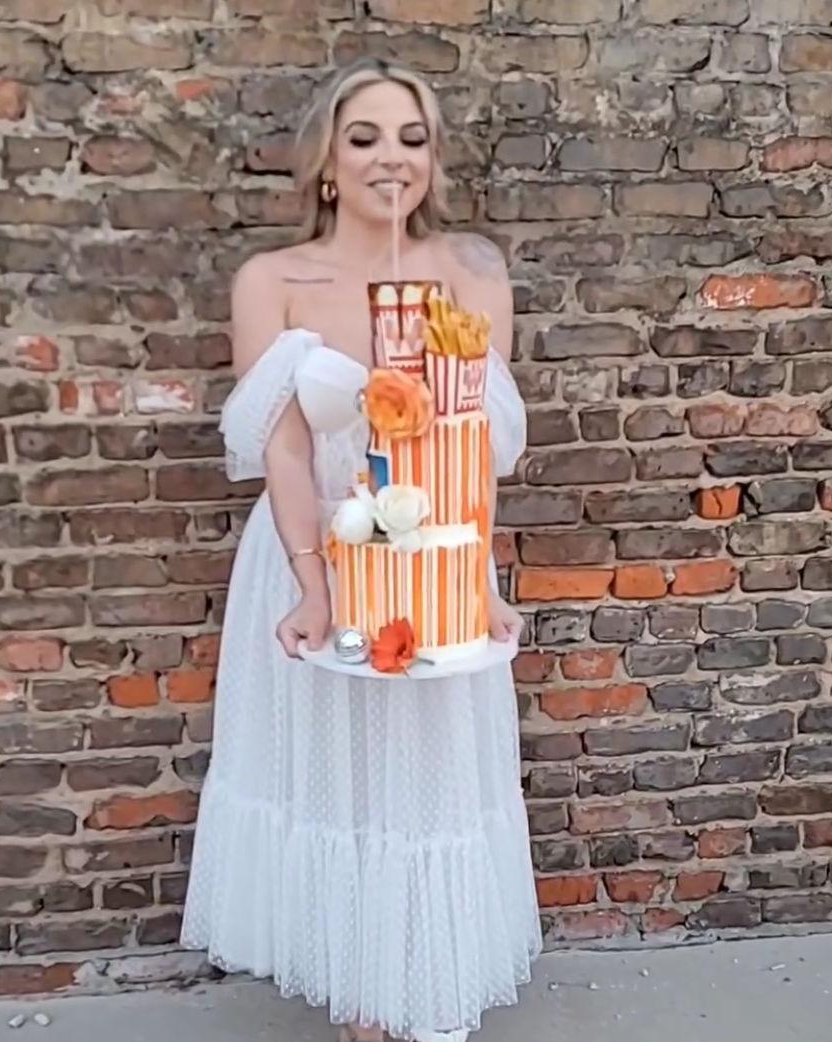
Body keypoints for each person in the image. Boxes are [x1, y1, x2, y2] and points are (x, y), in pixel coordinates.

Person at [179, 58, 542, 1042]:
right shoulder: (271, 281)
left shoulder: (472, 274)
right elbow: (283, 447)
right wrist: (313, 585)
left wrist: (476, 581)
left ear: (435, 157)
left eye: (413, 138)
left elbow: (470, 445)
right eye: (366, 136)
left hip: (434, 556)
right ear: (327, 161)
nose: (393, 158)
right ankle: (362, 999)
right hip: (314, 547)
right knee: (332, 776)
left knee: (429, 778)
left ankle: (425, 986)